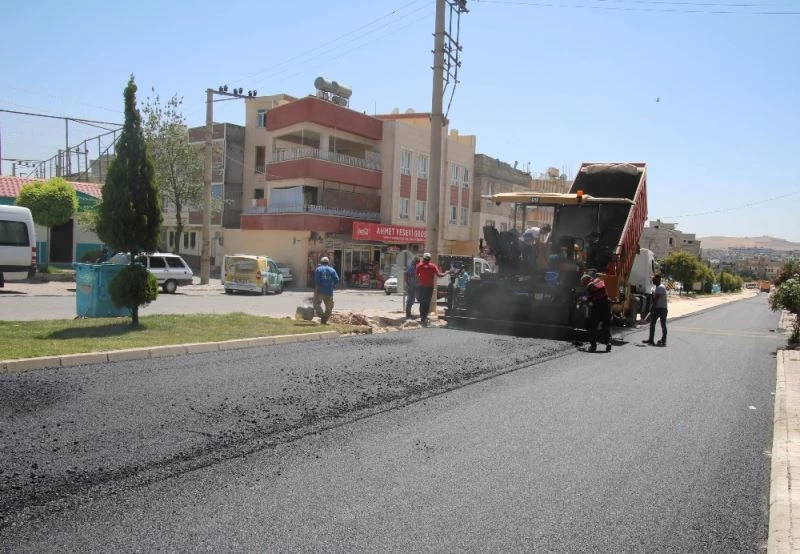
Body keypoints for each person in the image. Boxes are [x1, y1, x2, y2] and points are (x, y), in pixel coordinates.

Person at [581, 273, 612, 352]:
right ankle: (608, 343)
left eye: (583, 282)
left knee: (593, 326)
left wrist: (583, 303)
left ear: (586, 280)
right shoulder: (599, 280)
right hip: (607, 305)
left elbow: (589, 300)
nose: (582, 284)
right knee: (606, 326)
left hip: (598, 307)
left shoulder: (589, 286)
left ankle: (593, 346)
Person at [414, 252, 447, 326]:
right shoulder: (432, 266)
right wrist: (446, 273)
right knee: (427, 302)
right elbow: (439, 275)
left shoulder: (419, 266)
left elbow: (416, 275)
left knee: (422, 302)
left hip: (422, 286)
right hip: (429, 287)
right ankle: (425, 317)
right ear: (430, 259)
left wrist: (419, 281)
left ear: (424, 258)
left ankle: (422, 317)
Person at [313, 256, 339, 325]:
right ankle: (325, 318)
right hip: (329, 291)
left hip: (320, 290)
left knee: (316, 304)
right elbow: (337, 279)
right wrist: (332, 285)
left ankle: (322, 317)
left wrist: (316, 290)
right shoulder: (332, 270)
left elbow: (317, 281)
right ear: (328, 262)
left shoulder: (318, 269)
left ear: (321, 262)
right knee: (329, 306)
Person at [643, 273, 668, 346]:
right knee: (652, 324)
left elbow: (656, 300)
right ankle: (651, 340)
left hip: (662, 309)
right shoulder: (656, 287)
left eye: (654, 278)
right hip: (657, 308)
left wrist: (652, 308)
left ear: (658, 279)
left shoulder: (661, 287)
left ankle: (663, 340)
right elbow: (654, 299)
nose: (652, 279)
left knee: (663, 325)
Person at [403, 254, 421, 319]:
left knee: (412, 300)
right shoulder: (411, 266)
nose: (418, 263)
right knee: (410, 299)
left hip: (414, 285)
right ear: (415, 261)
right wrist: (407, 283)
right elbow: (405, 274)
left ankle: (409, 313)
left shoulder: (414, 266)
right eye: (417, 262)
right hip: (410, 285)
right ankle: (408, 314)